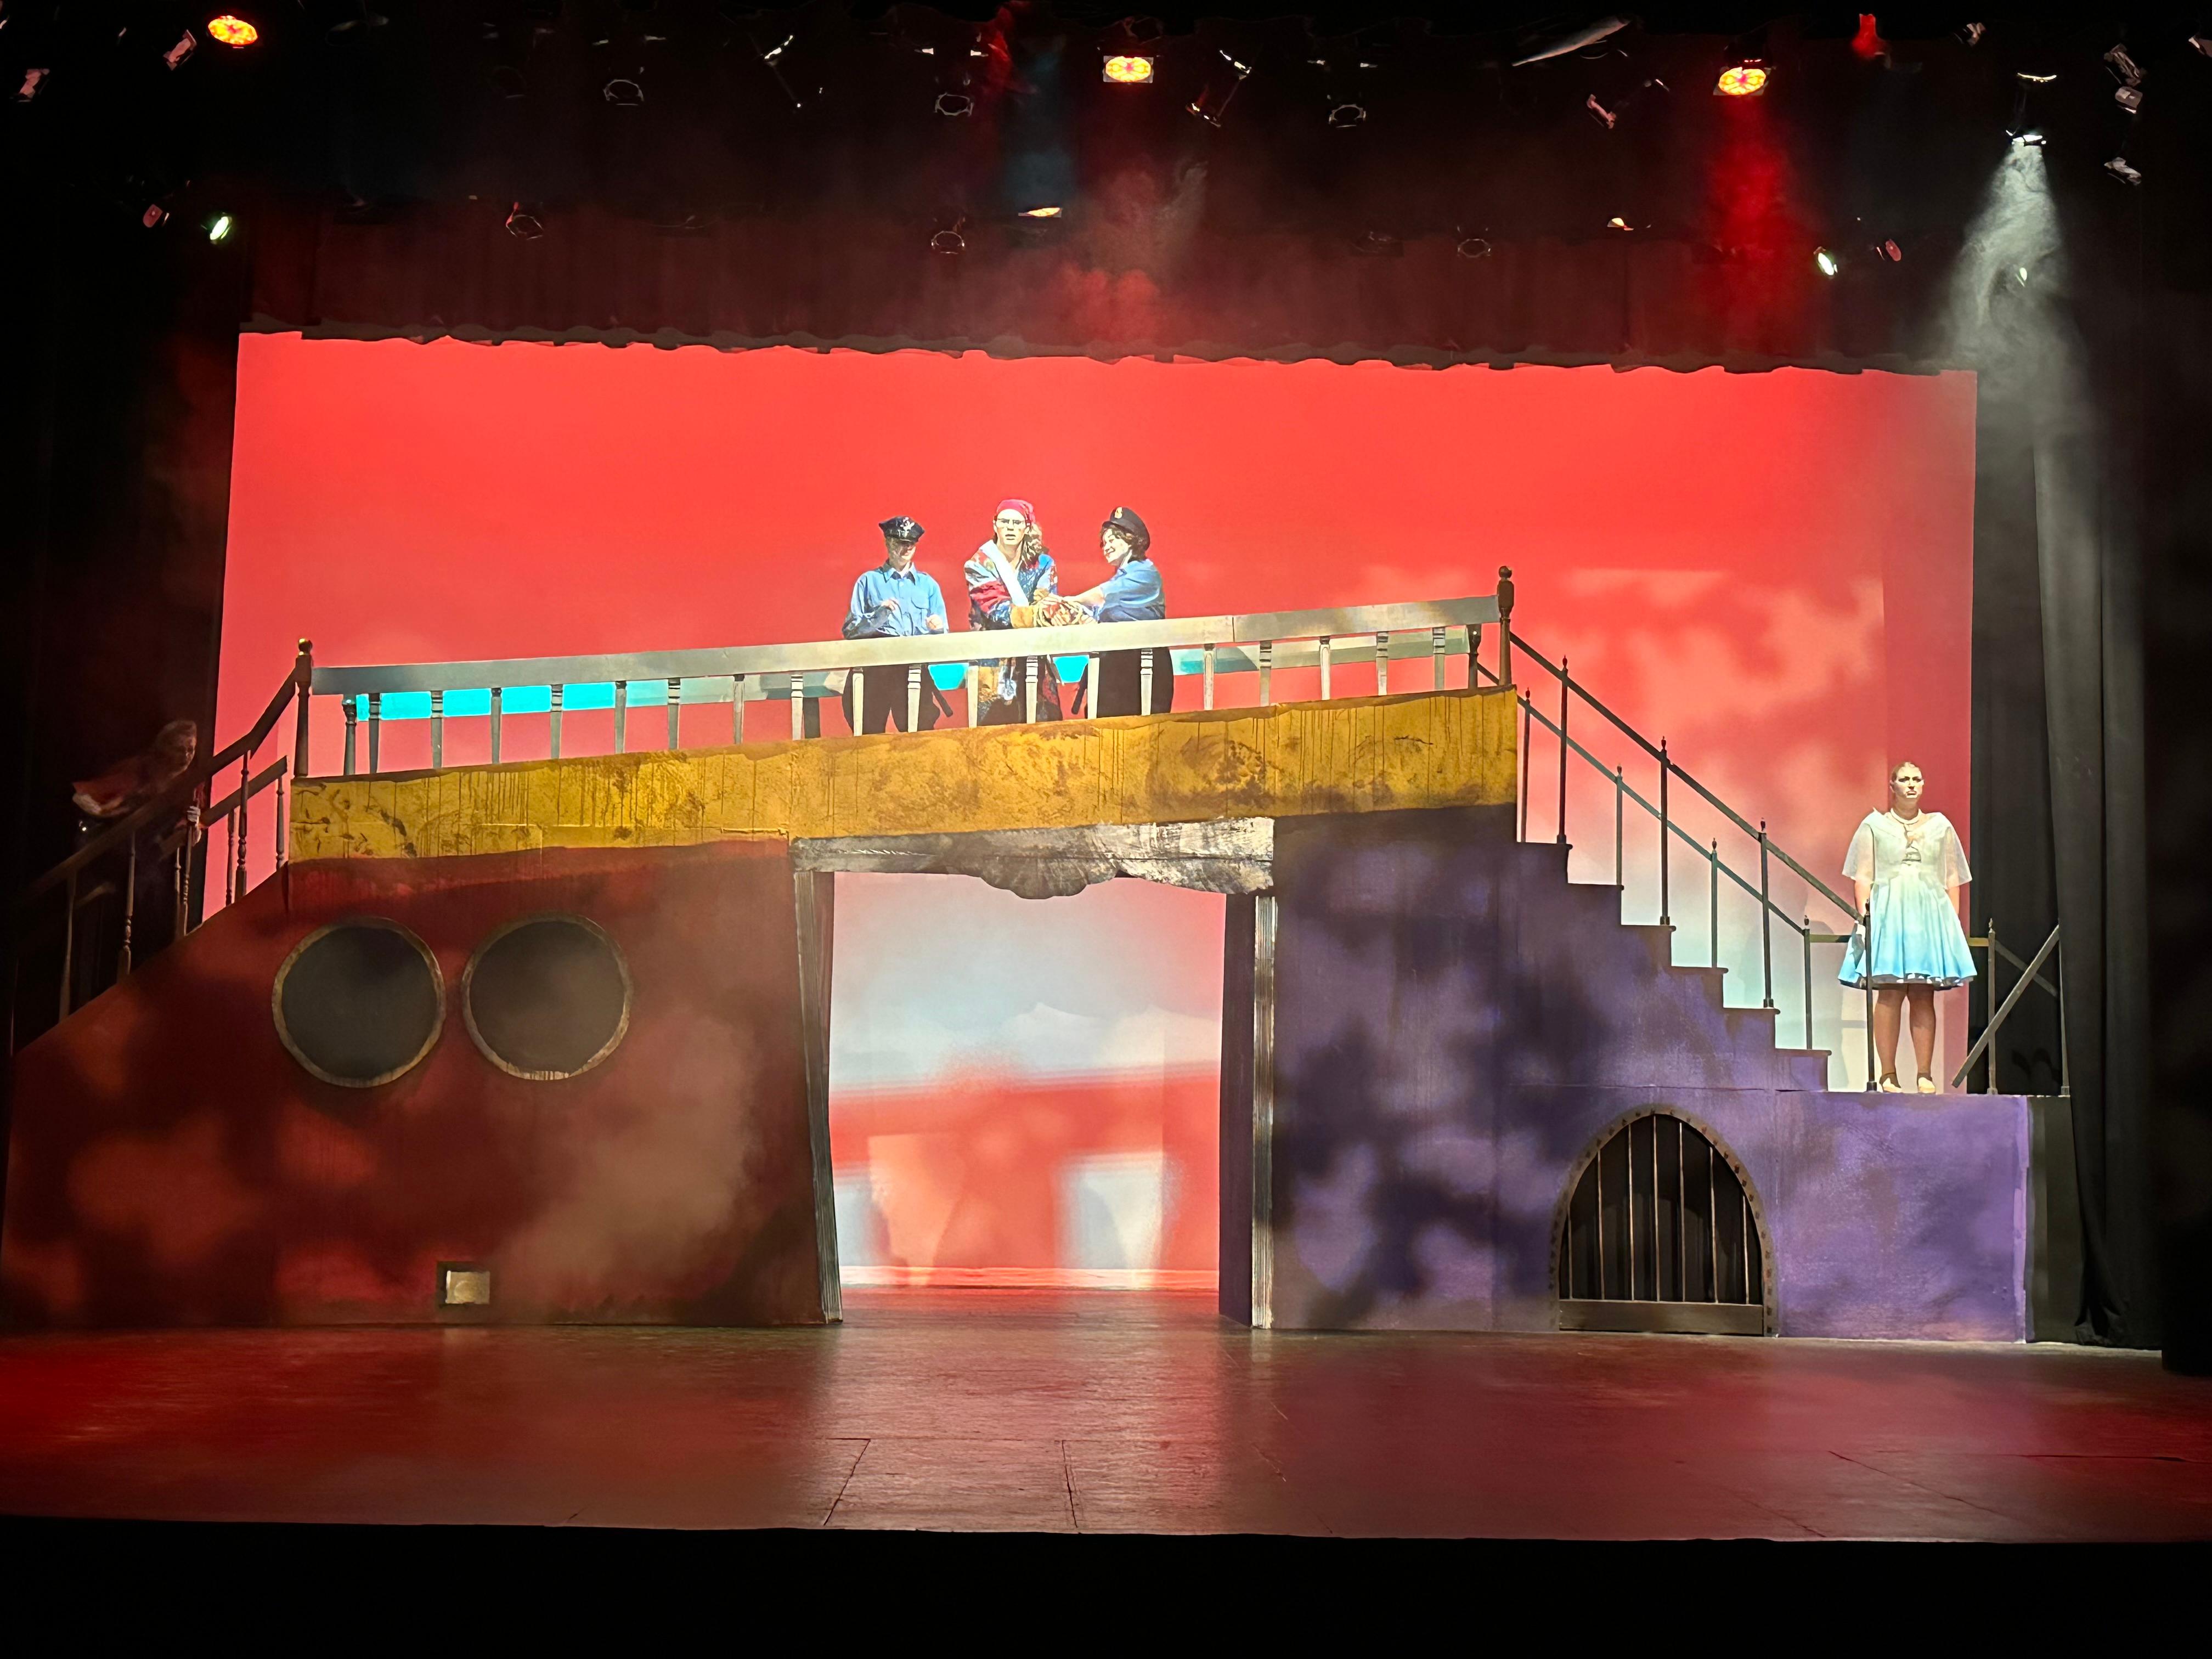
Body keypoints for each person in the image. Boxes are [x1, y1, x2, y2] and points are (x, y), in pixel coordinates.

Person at [1838, 760, 1977, 1093]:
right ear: (1893, 786)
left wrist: (1952, 923)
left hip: (1928, 916)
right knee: (1890, 992)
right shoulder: (1874, 826)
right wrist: (1865, 916)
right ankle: (1888, 1073)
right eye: (1904, 779)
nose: (1911, 784)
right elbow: (1864, 876)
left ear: (1923, 784)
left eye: (1917, 779)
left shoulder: (1940, 826)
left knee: (1923, 993)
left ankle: (1925, 1073)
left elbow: (1952, 877)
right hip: (1890, 913)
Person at [964, 499, 1072, 724]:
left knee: (1044, 732)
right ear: (995, 525)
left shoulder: (1044, 563)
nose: (1010, 528)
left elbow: (1046, 601)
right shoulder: (979, 564)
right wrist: (1039, 615)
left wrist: (1051, 611)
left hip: (1034, 657)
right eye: (1005, 522)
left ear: (1026, 527)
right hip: (994, 663)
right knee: (995, 734)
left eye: (1017, 522)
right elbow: (996, 608)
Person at [839, 515, 949, 733]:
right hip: (876, 669)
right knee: (869, 733)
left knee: (919, 734)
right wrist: (877, 616)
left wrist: (937, 629)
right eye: (901, 542)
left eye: (911, 543)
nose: (906, 548)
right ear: (888, 543)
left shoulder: (928, 585)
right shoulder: (868, 581)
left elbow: (944, 635)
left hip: (913, 670)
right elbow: (850, 631)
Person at [1068, 505, 1173, 718]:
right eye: (1104, 543)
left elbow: (1102, 596)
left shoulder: (1145, 573)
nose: (1106, 547)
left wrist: (1069, 601)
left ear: (1130, 539)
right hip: (1115, 670)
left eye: (1112, 540)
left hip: (1140, 668)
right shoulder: (1121, 577)